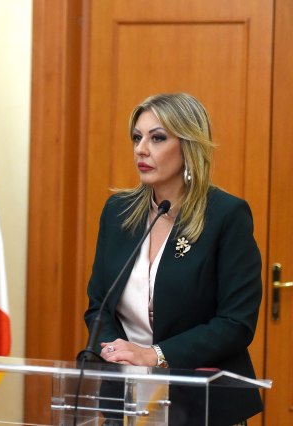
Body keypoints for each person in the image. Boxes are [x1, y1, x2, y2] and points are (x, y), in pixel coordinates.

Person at [83, 93, 262, 425]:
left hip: (200, 402)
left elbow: (236, 323)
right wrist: (115, 352)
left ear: (188, 145)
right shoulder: (118, 212)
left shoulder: (226, 216)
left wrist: (155, 355)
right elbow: (99, 305)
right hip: (126, 396)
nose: (141, 149)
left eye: (157, 138)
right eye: (137, 137)